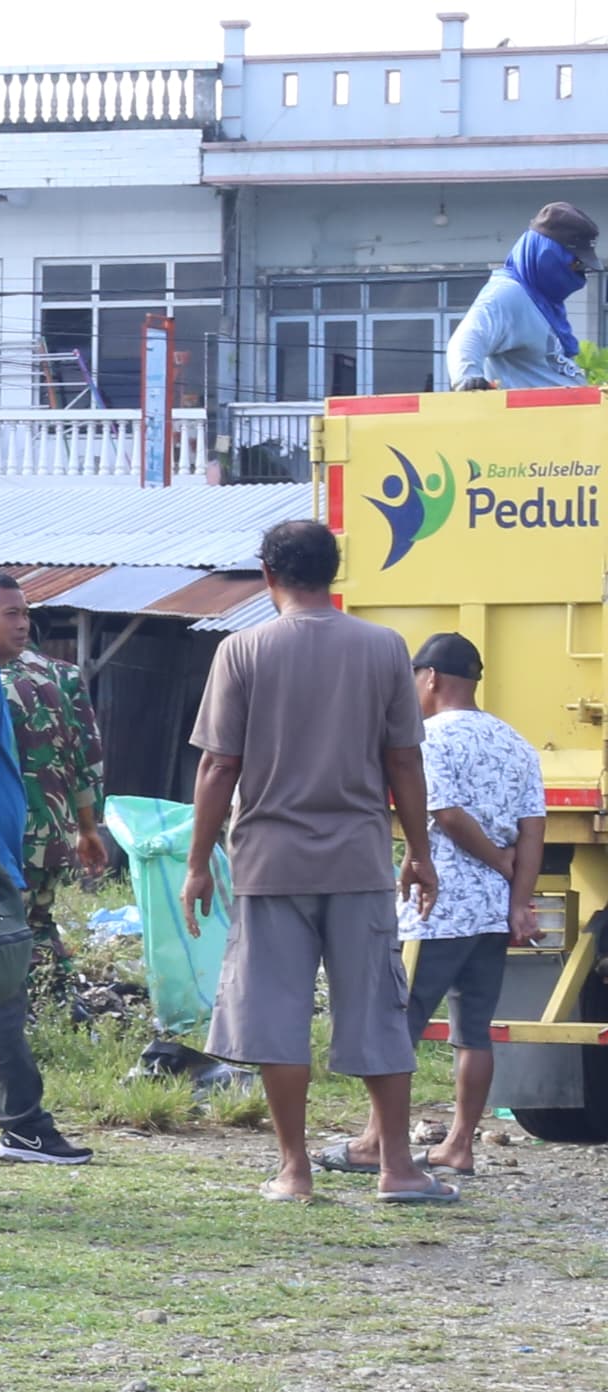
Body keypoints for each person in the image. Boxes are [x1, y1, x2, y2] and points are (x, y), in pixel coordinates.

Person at [187, 515, 449, 1205]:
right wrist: (419, 852)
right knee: (377, 1011)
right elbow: (404, 761)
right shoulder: (384, 648)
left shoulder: (242, 651)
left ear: (267, 574)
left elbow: (218, 765)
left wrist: (197, 863)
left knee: (275, 1016)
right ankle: (398, 1168)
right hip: (358, 860)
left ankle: (294, 1170)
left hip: (269, 863)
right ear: (335, 573)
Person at [331, 632, 539, 1179]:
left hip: (437, 910)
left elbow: (445, 814)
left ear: (430, 678)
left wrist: (496, 861)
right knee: (474, 1032)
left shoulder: (428, 738)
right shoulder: (516, 743)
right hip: (492, 915)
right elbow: (533, 831)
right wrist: (518, 898)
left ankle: (376, 1142)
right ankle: (458, 1146)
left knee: (398, 1025)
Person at [0, 572, 93, 1169]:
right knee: (2, 992)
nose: (24, 624)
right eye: (10, 613)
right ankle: (22, 1124)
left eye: (26, 613)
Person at [7, 629, 116, 1006]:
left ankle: (17, 1010)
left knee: (1, 924)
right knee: (38, 918)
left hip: (3, 827)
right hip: (55, 823)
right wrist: (88, 826)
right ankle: (58, 1001)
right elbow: (89, 757)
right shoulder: (63, 674)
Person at [447, 202, 599, 389]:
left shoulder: (544, 304)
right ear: (548, 256)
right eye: (576, 264)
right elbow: (467, 339)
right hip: (528, 409)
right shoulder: (508, 294)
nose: (580, 274)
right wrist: (468, 380)